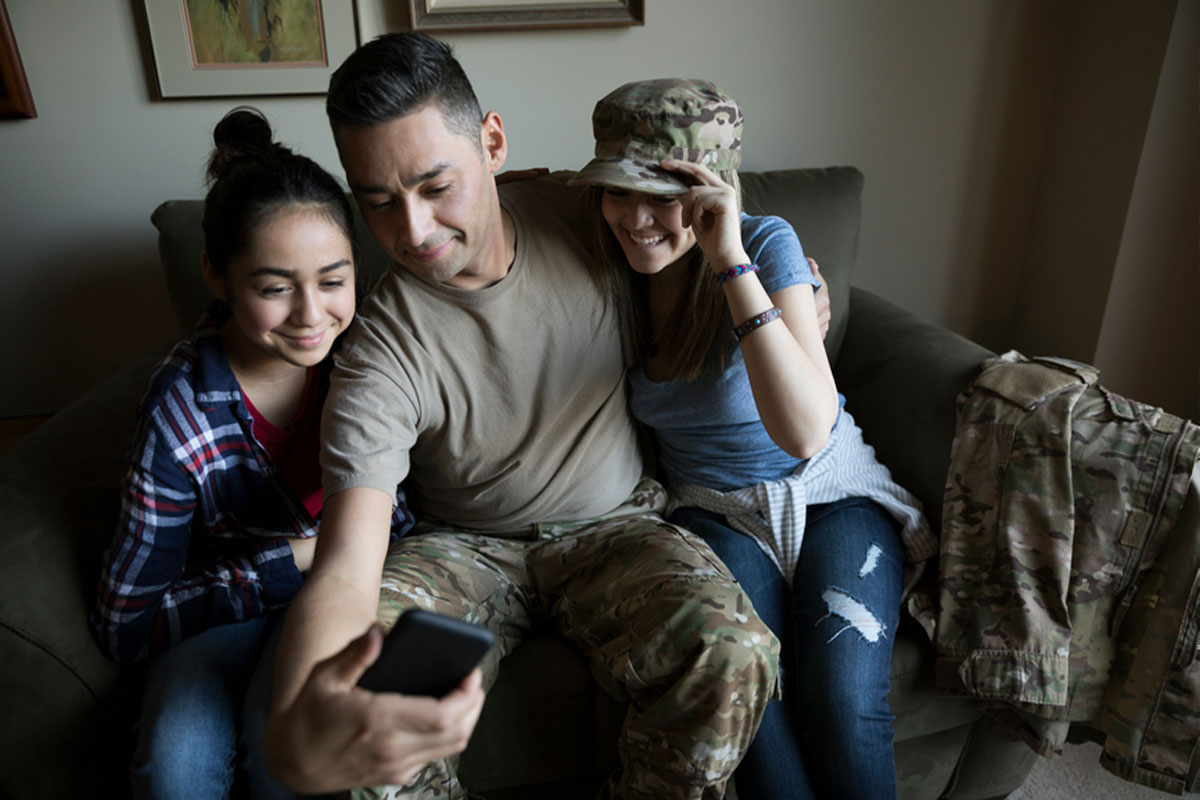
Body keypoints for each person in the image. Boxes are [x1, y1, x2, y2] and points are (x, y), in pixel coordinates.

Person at [262, 33, 780, 799]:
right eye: (377, 201)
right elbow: (346, 565)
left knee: (734, 649)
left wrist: (792, 288)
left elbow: (707, 211)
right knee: (377, 698)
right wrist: (297, 732)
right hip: (464, 549)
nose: (412, 231)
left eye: (437, 186)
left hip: (616, 527)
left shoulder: (596, 216)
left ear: (494, 143)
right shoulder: (378, 349)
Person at [570, 79, 937, 799]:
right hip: (714, 510)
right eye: (620, 191)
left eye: (664, 194)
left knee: (840, 700)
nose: (638, 219)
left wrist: (729, 261)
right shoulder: (601, 262)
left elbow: (805, 432)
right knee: (751, 700)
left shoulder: (768, 244)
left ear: (713, 190)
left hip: (832, 492)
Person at [89, 107, 414, 798]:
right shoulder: (179, 413)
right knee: (174, 764)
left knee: (286, 758)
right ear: (217, 275)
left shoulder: (370, 363)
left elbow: (411, 518)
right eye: (273, 288)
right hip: (225, 605)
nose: (310, 314)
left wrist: (332, 559)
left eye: (333, 280)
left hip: (347, 589)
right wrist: (289, 560)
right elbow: (126, 623)